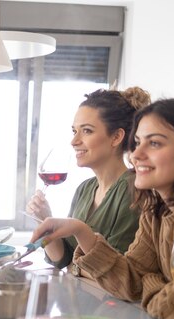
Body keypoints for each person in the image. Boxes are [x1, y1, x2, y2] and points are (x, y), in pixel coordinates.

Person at [30, 97, 174, 319]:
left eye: (155, 143)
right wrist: (150, 283)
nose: (136, 154)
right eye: (137, 142)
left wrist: (148, 284)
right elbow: (129, 282)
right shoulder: (156, 205)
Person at [27, 87, 150, 274]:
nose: (74, 141)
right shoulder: (85, 189)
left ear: (116, 137)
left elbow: (115, 272)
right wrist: (43, 219)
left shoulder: (133, 190)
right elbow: (63, 259)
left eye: (86, 131)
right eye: (74, 131)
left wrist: (78, 236)